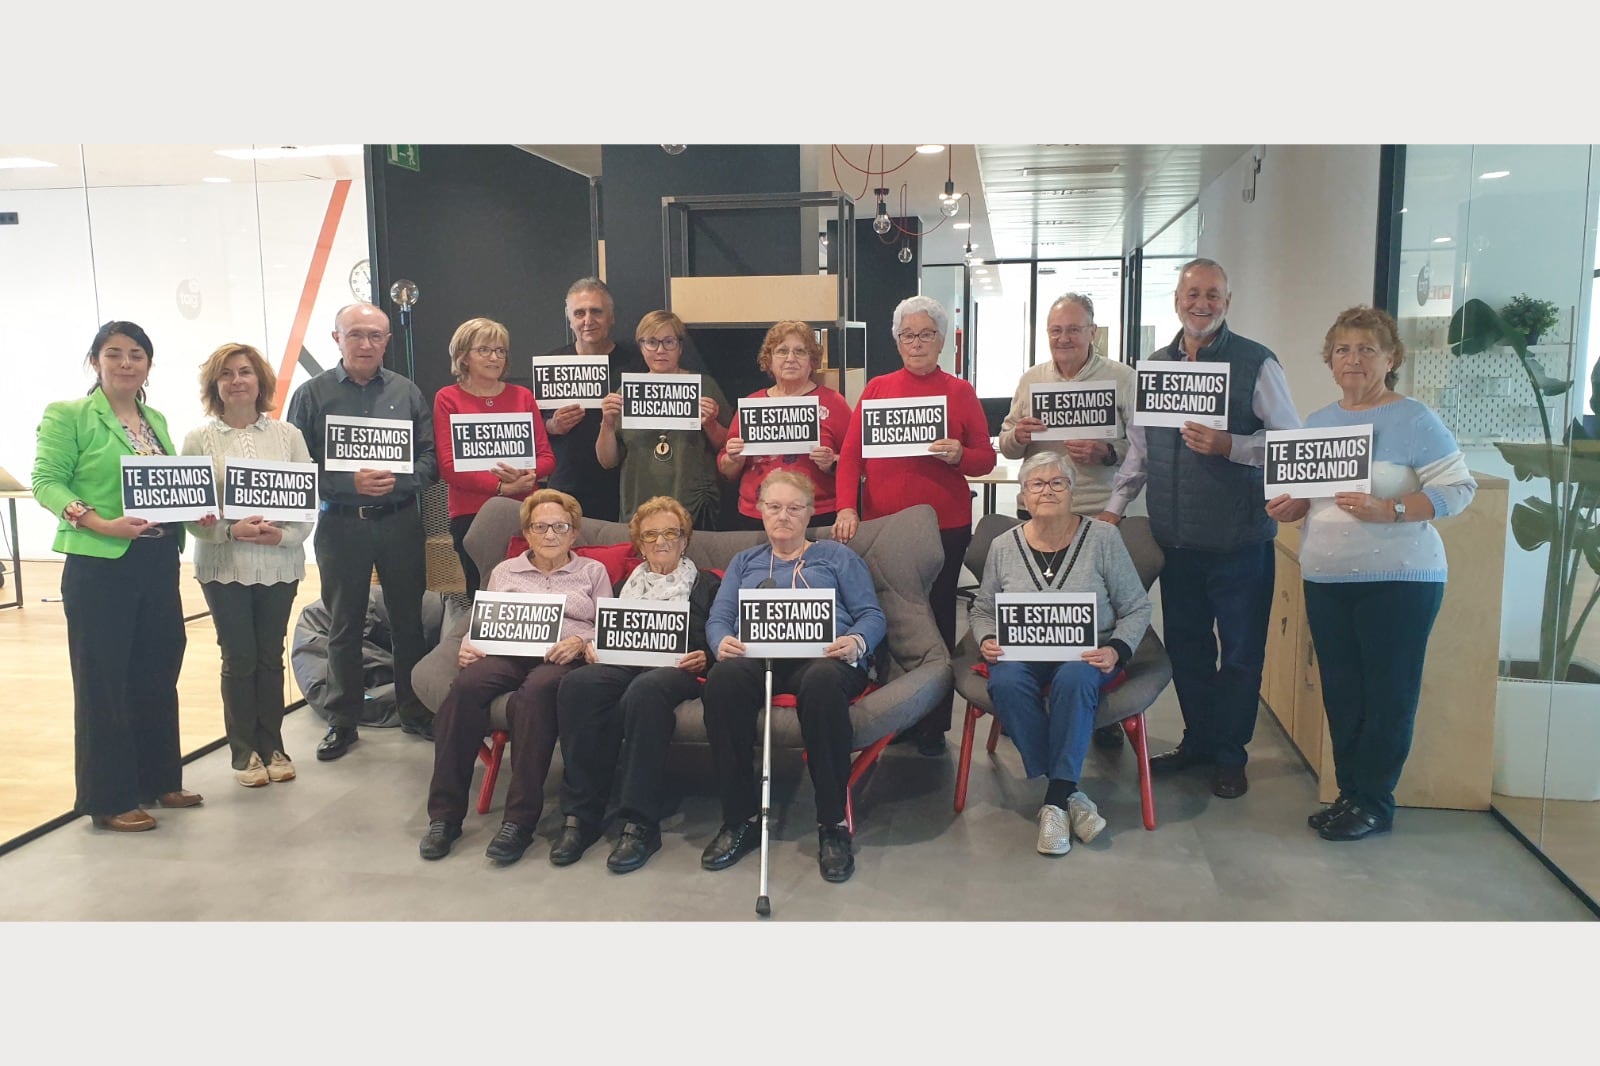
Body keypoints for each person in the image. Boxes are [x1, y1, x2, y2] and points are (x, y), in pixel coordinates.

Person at [1266, 307, 1475, 841]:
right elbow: (1306, 500)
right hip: (1329, 581)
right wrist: (1291, 508)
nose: (1353, 359)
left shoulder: (1414, 419)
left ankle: (1375, 803)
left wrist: (1395, 509)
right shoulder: (1317, 424)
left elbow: (1458, 488)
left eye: (1366, 349)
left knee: (1388, 694)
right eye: (1342, 350)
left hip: (1399, 581)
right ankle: (1351, 794)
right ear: (1330, 361)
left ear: (1390, 358)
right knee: (1342, 692)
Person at [1098, 258, 1301, 799]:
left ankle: (1231, 756)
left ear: (1227, 302)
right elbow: (1141, 454)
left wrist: (1230, 445)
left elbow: (1292, 446)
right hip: (1177, 542)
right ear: (1177, 301)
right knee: (1187, 650)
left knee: (1238, 655)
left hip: (1240, 543)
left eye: (1213, 294)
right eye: (1192, 294)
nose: (1201, 304)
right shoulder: (1157, 370)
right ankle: (1199, 743)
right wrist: (1114, 509)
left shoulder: (1256, 363)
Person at [31, 321, 204, 831]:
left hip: (156, 561)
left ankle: (158, 779)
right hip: (100, 562)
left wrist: (199, 512)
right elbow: (46, 481)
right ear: (95, 361)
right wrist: (100, 522)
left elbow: (168, 490)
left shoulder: (154, 418)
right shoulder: (69, 416)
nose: (126, 363)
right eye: (114, 353)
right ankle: (108, 799)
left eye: (136, 354)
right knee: (104, 681)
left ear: (149, 364)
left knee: (156, 671)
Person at [700, 470, 887, 884]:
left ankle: (832, 824)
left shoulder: (838, 557)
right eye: (774, 507)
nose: (783, 516)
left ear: (809, 513)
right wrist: (721, 641)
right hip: (760, 654)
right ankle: (739, 819)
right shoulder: (745, 562)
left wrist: (856, 640)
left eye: (793, 508)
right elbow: (720, 617)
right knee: (724, 681)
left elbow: (872, 615)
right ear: (761, 511)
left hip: (825, 658)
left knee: (821, 684)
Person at [833, 294, 996, 755]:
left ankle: (933, 722)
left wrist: (960, 454)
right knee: (887, 617)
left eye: (926, 334)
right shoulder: (878, 389)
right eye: (908, 335)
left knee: (937, 617)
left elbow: (985, 457)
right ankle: (895, 710)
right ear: (897, 341)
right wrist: (847, 508)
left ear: (941, 341)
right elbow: (850, 456)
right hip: (884, 528)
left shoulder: (959, 392)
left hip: (945, 525)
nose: (917, 342)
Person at [968, 452, 1152, 855]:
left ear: (1072, 491)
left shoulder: (1102, 538)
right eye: (1036, 484)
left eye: (1057, 483)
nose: (1046, 491)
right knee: (1007, 681)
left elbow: (1137, 606)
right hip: (1023, 650)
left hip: (1087, 651)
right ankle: (1068, 793)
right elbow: (982, 607)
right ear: (1023, 495)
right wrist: (985, 639)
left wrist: (1117, 649)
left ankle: (1054, 801)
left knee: (1075, 677)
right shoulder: (1004, 546)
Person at [418, 490, 610, 865]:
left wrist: (578, 639)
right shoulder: (505, 571)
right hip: (506, 651)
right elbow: (483, 619)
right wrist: (469, 643)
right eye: (541, 526)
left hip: (558, 656)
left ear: (574, 534)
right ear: (528, 532)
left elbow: (605, 627)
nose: (550, 535)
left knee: (536, 695)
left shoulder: (592, 572)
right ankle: (444, 816)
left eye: (560, 527)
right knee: (465, 689)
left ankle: (519, 821)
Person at [286, 302, 439, 760]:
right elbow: (296, 469)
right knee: (343, 624)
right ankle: (342, 720)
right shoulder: (311, 395)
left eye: (376, 335)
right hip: (341, 524)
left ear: (388, 341)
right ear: (336, 338)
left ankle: (414, 711)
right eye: (356, 334)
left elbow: (430, 459)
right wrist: (346, 483)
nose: (367, 344)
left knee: (408, 622)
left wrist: (402, 479)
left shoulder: (407, 392)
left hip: (399, 522)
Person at [549, 495, 722, 873]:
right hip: (624, 662)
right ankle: (581, 815)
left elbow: (722, 630)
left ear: (685, 539)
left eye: (670, 534)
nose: (661, 542)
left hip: (678, 668)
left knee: (645, 692)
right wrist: (594, 646)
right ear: (640, 543)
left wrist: (706, 655)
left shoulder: (707, 584)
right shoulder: (625, 582)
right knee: (579, 685)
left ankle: (639, 822)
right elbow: (601, 625)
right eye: (651, 535)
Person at [998, 292, 1137, 753]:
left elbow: (1144, 448)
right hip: (1037, 511)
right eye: (1056, 330)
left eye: (1074, 329)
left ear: (1092, 331)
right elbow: (1005, 443)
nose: (1064, 338)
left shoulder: (1121, 378)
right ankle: (1046, 712)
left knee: (1097, 612)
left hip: (1100, 511)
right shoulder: (1032, 379)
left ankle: (1097, 710)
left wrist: (1107, 452)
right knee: (1042, 614)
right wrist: (1017, 435)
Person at [182, 343, 314, 788]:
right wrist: (226, 531)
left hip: (279, 562)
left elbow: (304, 503)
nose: (237, 380)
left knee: (269, 656)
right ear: (214, 385)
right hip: (224, 564)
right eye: (226, 374)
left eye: (245, 372)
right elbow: (189, 511)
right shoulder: (198, 440)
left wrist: (284, 536)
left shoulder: (288, 436)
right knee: (238, 657)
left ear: (260, 381)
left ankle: (273, 745)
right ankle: (244, 753)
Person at [433, 316, 553, 594]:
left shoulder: (522, 396)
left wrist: (526, 475)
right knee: (482, 593)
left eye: (500, 350)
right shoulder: (447, 398)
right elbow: (449, 466)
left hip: (524, 508)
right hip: (471, 513)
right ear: (463, 357)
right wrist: (501, 486)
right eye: (484, 350)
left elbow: (547, 457)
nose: (494, 357)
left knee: (531, 591)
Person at [596, 310, 731, 529]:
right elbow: (607, 461)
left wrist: (711, 424)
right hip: (640, 501)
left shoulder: (704, 386)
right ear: (641, 346)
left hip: (692, 505)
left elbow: (727, 448)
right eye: (651, 342)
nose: (660, 350)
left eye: (668, 342)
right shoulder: (627, 391)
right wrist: (608, 423)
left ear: (680, 346)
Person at [717, 321, 851, 531]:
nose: (791, 358)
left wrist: (831, 462)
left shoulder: (834, 403)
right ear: (769, 360)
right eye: (782, 351)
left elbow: (856, 464)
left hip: (816, 516)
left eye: (800, 351)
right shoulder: (752, 404)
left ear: (812, 361)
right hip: (757, 516)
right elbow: (727, 470)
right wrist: (734, 458)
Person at [540, 279, 644, 523]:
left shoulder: (636, 364)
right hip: (566, 484)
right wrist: (552, 426)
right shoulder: (551, 364)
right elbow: (532, 428)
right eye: (579, 313)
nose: (588, 320)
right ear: (570, 319)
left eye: (596, 311)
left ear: (611, 317)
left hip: (622, 486)